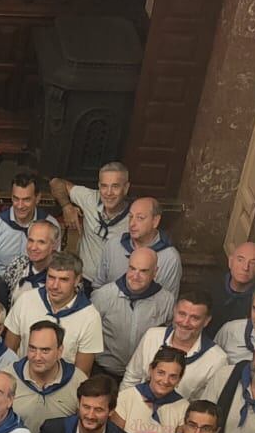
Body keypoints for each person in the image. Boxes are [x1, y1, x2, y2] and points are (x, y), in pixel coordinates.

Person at [124, 291, 231, 400]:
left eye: (194, 318)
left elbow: (206, 405)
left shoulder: (217, 360)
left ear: (206, 321)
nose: (185, 322)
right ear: (174, 311)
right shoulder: (152, 336)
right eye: (182, 314)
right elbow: (131, 377)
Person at [93, 247, 177, 376]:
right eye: (132, 269)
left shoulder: (166, 301)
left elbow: (170, 339)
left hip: (143, 376)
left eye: (143, 271)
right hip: (104, 372)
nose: (135, 276)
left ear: (155, 272)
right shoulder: (103, 296)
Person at [51, 161, 132, 287]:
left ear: (126, 188)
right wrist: (67, 207)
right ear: (99, 186)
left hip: (116, 286)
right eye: (104, 186)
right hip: (84, 281)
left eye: (115, 186)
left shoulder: (135, 215)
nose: (108, 192)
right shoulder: (89, 198)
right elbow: (56, 183)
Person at [10, 321, 81, 433]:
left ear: (59, 351)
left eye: (45, 350)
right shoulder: (7, 378)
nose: (37, 357)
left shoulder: (78, 381)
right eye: (32, 348)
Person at [210, 241, 255, 333]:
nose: (245, 267)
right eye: (240, 260)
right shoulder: (211, 287)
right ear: (230, 261)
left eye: (253, 263)